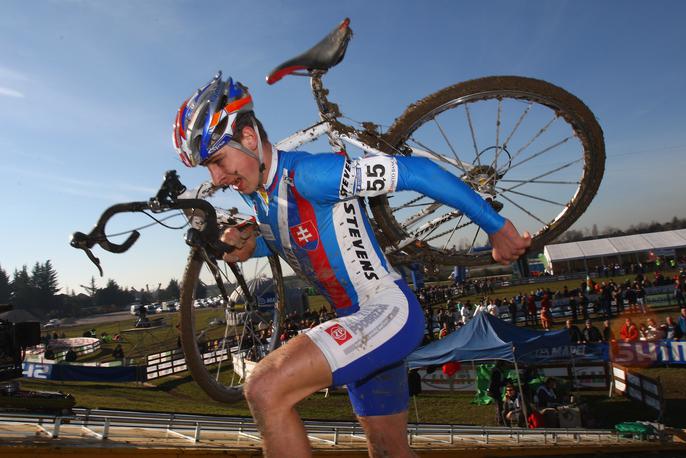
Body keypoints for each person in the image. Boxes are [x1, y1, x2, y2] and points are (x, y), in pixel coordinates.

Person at [173, 72, 532, 457]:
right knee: (387, 448)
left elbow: (418, 171)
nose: (217, 177)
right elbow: (299, 236)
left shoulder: (310, 175)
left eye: (216, 161)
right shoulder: (257, 191)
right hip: (356, 320)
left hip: (385, 309)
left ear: (247, 138)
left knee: (264, 388)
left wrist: (496, 227)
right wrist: (251, 247)